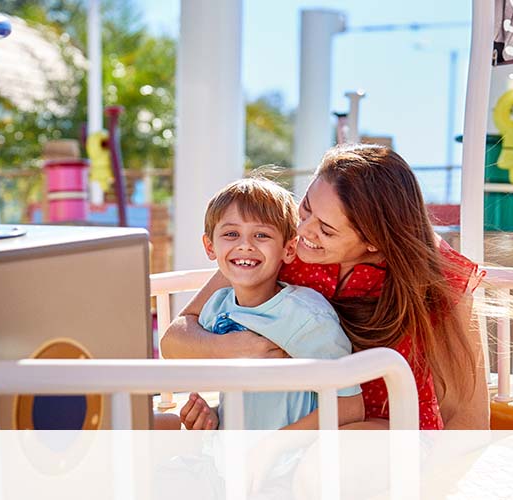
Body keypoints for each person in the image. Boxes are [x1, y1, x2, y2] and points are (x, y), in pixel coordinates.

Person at [162, 144, 490, 430]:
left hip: (385, 442)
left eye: (327, 230)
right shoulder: (282, 248)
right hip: (297, 432)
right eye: (305, 208)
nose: (303, 229)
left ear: (374, 242)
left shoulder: (435, 275)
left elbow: (468, 415)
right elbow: (176, 339)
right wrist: (238, 351)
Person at [161, 177, 365, 431]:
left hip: (289, 463)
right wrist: (214, 417)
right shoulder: (215, 308)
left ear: (288, 250)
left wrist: (272, 448)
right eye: (231, 234)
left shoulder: (306, 317)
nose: (245, 245)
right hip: (233, 459)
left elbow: (349, 406)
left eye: (261, 235)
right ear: (210, 246)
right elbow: (174, 344)